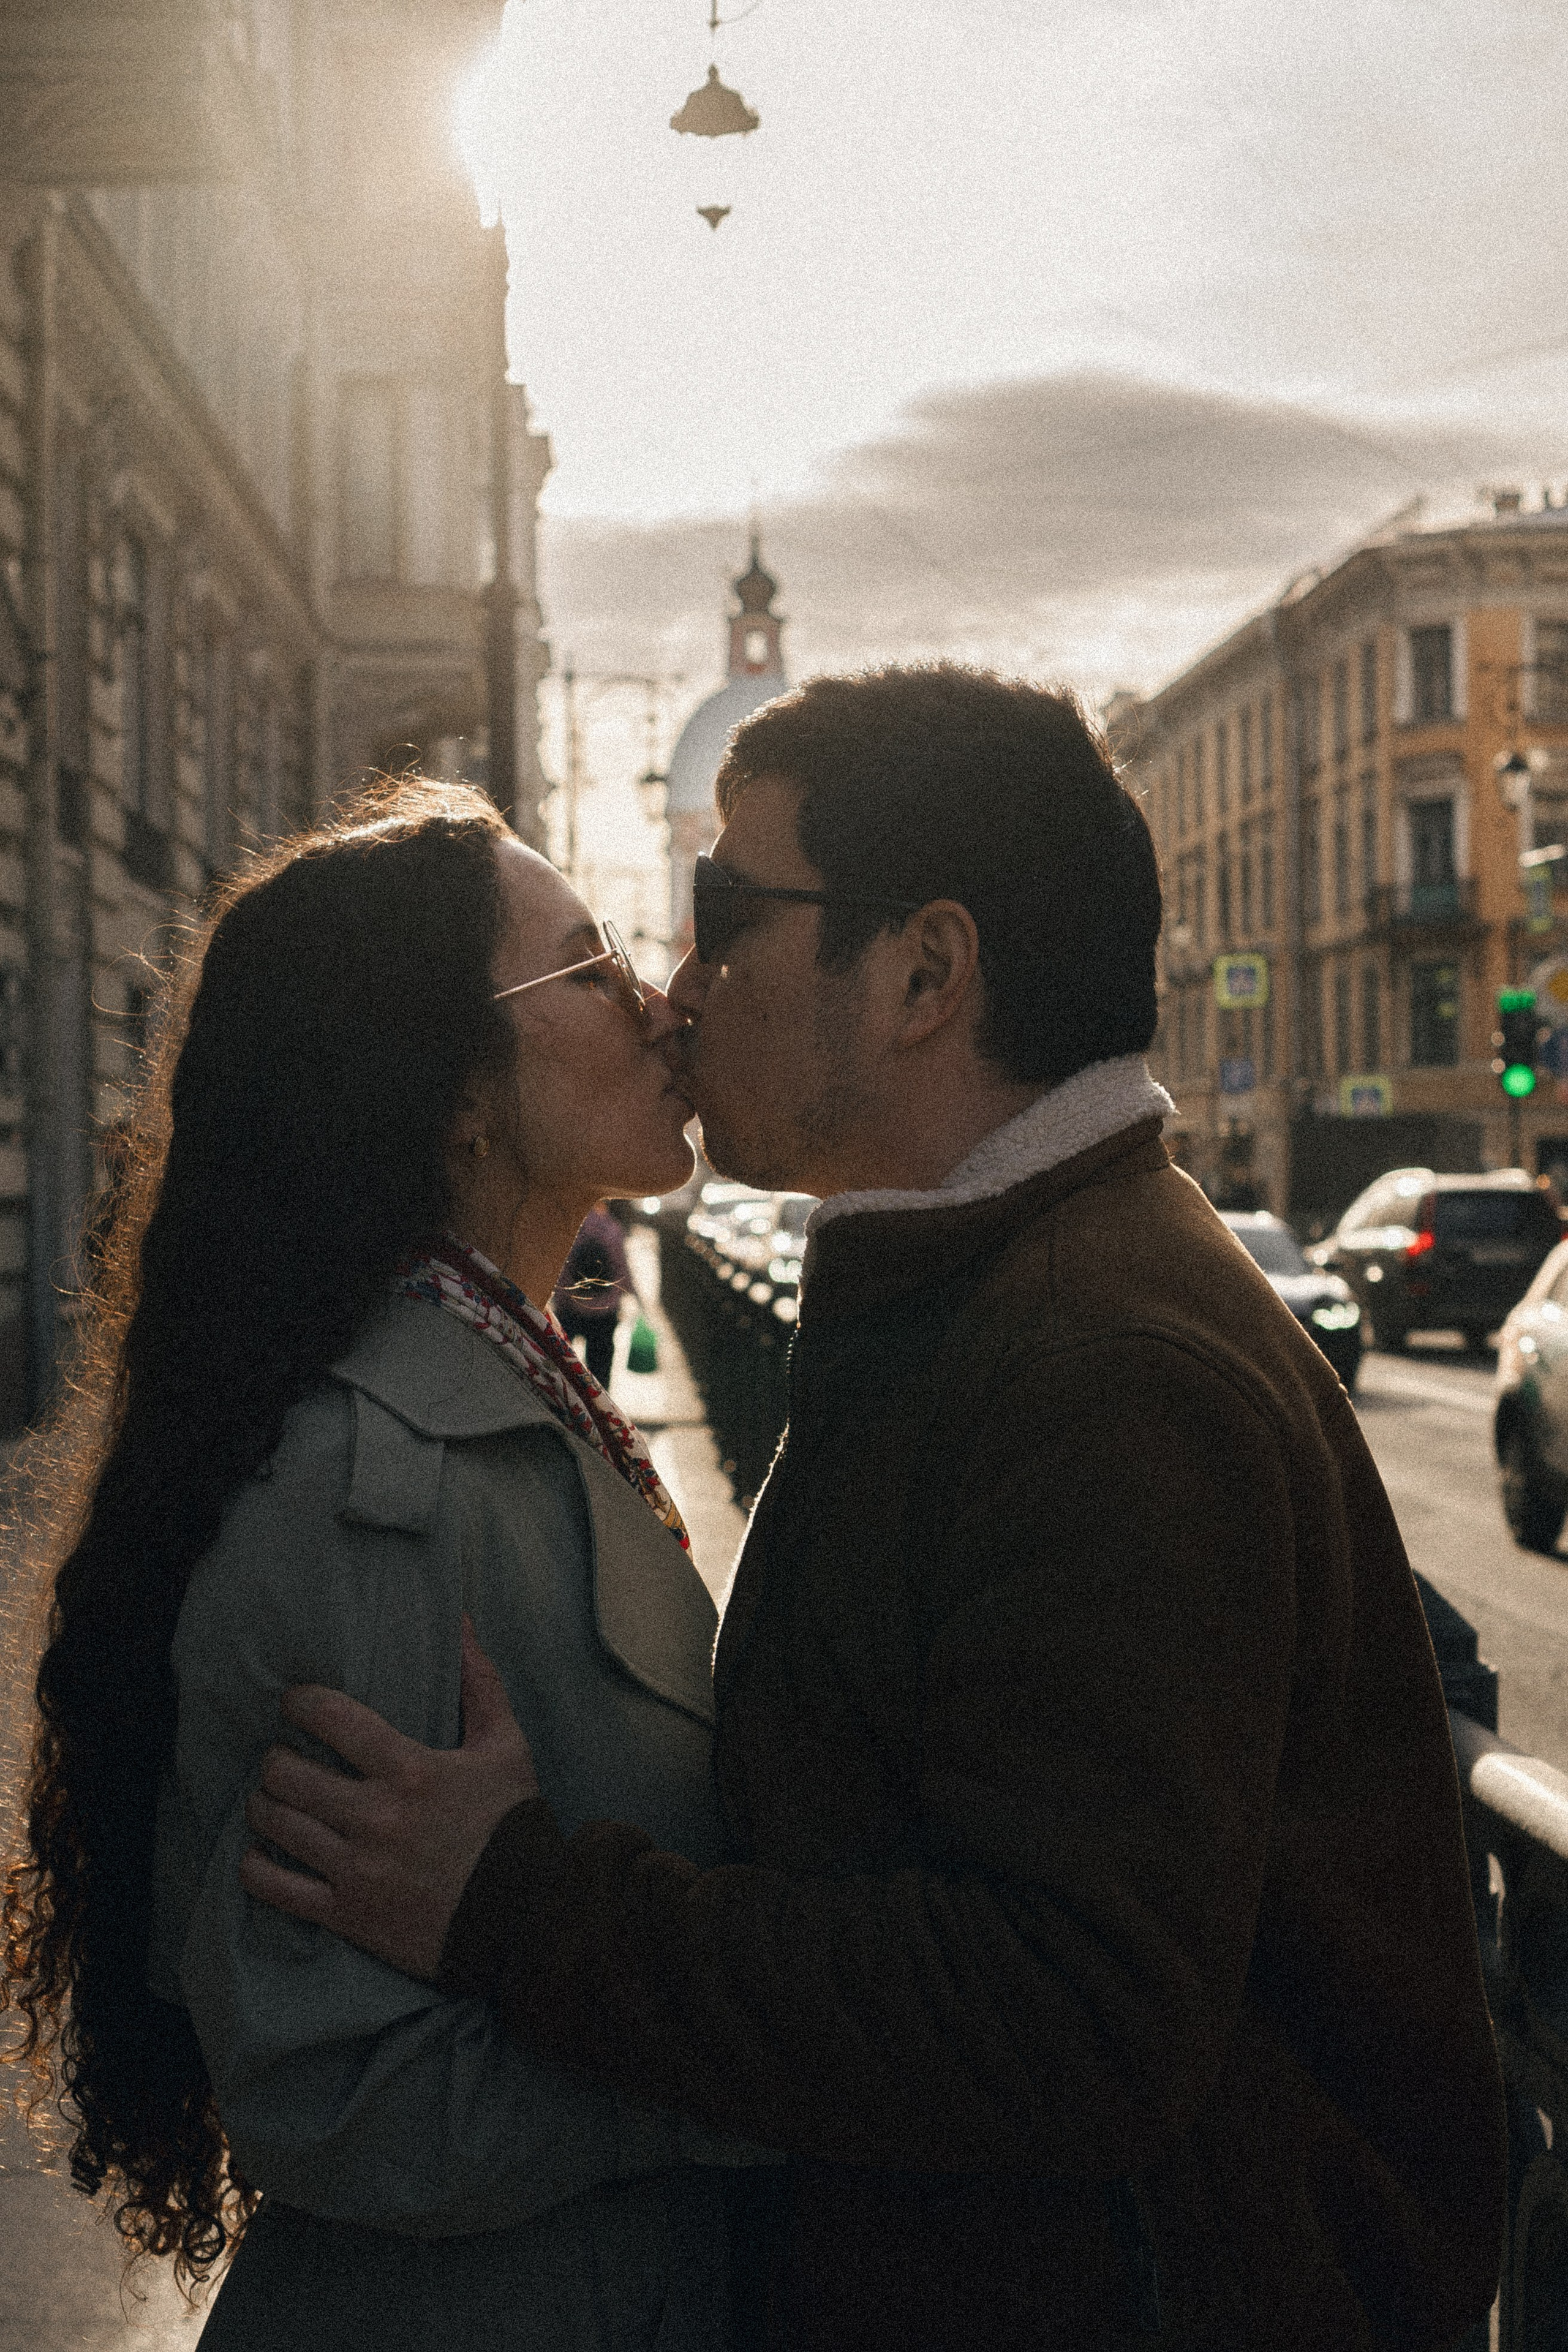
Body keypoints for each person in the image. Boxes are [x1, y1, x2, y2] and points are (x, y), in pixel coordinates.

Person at [242, 671, 1507, 2352]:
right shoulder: (1006, 1293)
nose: (680, 986)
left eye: (725, 918)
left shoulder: (1097, 1361)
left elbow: (1066, 2020)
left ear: (923, 973)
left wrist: (523, 1908)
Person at [0, 778, 774, 2351]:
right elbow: (347, 2090)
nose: (656, 1004)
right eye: (589, 967)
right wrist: (774, 2083)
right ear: (459, 1095)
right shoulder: (371, 1486)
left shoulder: (497, 1395)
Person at [552, 1202, 636, 1388]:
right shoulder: (613, 1229)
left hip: (571, 1308)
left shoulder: (573, 1227)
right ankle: (599, 1400)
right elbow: (621, 1268)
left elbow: (562, 1268)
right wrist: (631, 1297)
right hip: (604, 1312)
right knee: (600, 1371)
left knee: (561, 1367)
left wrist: (561, 1299)